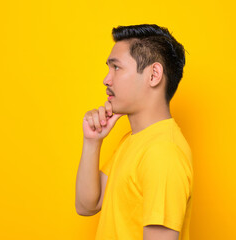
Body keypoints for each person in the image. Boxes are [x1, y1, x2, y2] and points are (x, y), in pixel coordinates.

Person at [75, 24, 193, 240]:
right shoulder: (133, 140)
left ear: (154, 75)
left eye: (116, 67)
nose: (106, 79)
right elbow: (86, 205)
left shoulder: (163, 153)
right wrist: (92, 142)